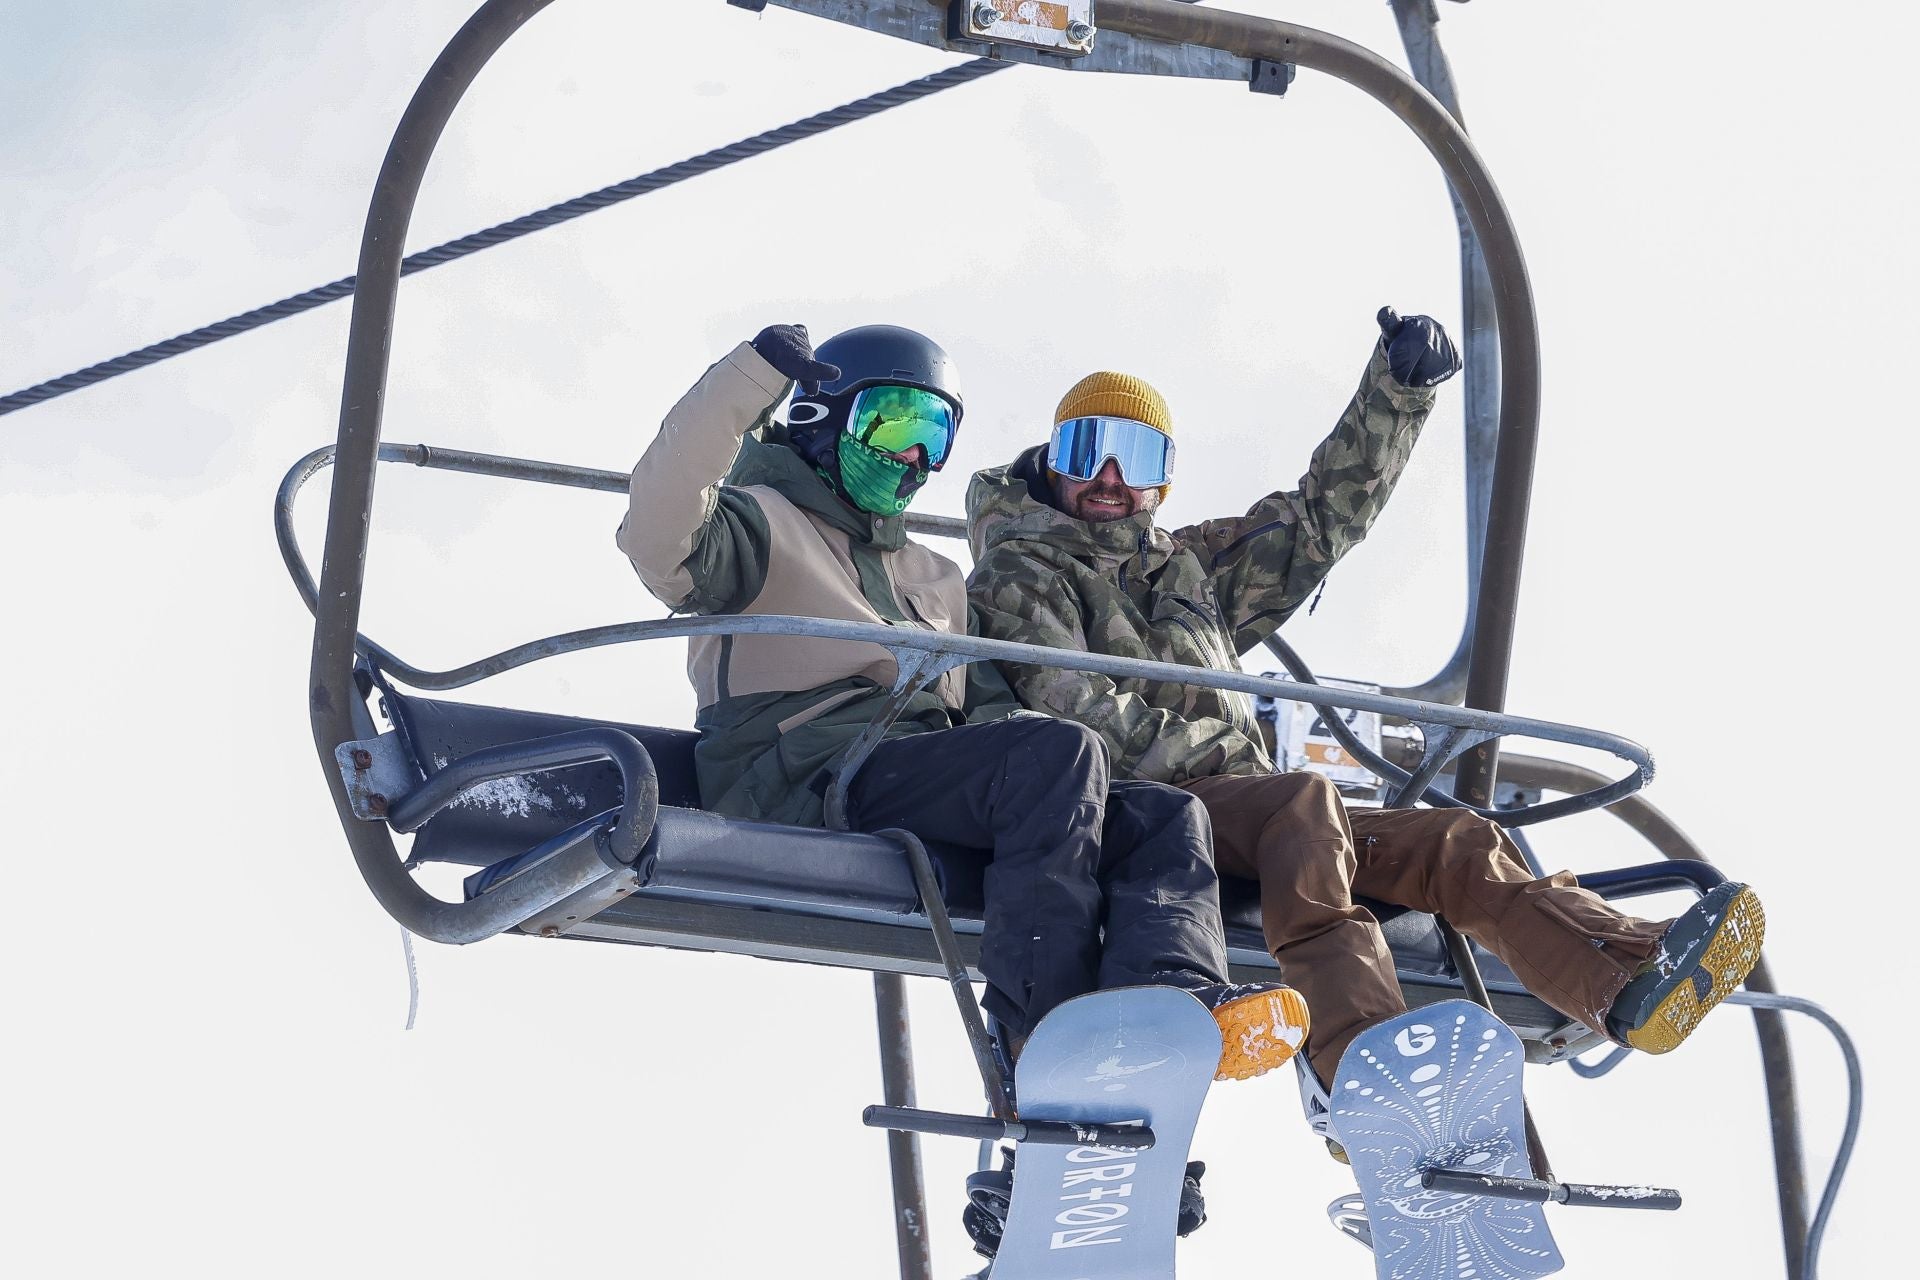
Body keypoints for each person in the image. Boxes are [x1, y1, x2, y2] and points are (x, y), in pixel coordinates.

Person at [963, 307, 1766, 1152]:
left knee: (1455, 839)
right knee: (1303, 804)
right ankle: (1358, 1067)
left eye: (1143, 458)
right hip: (1139, 811)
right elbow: (1072, 710)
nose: (1112, 479)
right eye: (1090, 451)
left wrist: (1396, 390)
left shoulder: (1185, 568)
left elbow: (1317, 520)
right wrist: (1238, 764)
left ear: (1166, 479)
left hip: (1250, 806)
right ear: (1054, 460)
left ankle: (1624, 977)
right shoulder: (1023, 568)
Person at [615, 321, 1309, 1080]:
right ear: (826, 415)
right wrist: (745, 382)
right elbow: (657, 531)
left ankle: (1170, 1004)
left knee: (1162, 814)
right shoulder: (758, 524)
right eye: (898, 422)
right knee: (1058, 753)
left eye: (935, 434)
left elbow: (988, 713)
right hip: (804, 772)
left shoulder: (932, 575)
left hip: (913, 772)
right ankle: (1041, 1042)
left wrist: (1098, 797)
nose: (914, 457)